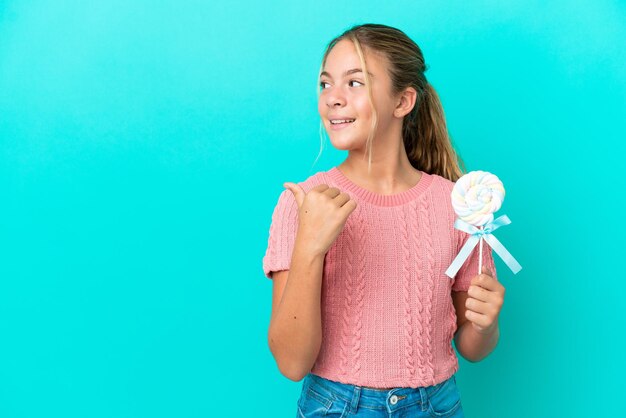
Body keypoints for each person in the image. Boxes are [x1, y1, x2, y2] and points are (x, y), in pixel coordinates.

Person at [263, 23, 506, 418]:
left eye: (354, 83)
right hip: (336, 406)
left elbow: (473, 348)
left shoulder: (456, 204)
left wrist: (486, 324)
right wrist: (310, 246)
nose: (333, 99)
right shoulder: (304, 201)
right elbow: (292, 364)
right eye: (325, 84)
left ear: (403, 101)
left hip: (436, 405)